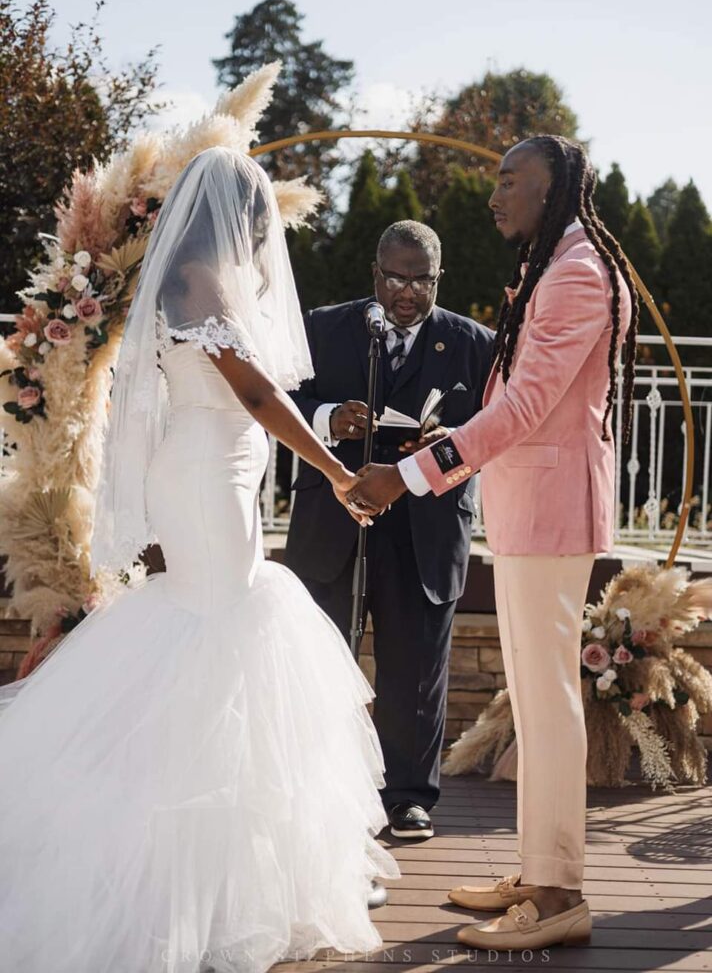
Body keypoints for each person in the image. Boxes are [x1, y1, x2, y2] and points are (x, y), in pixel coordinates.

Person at [0, 146, 399, 973]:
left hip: (212, 471)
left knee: (215, 638)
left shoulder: (184, 276)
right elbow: (255, 393)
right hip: (208, 478)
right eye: (258, 221)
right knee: (221, 640)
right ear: (237, 218)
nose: (263, 237)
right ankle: (191, 892)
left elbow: (246, 399)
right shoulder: (207, 280)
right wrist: (333, 474)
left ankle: (227, 882)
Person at [346, 136, 639, 951]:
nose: (494, 194)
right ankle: (538, 868)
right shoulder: (557, 264)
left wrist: (408, 474)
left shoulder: (577, 272)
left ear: (552, 191)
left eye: (511, 181)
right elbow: (510, 402)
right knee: (538, 701)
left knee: (548, 706)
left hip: (551, 516)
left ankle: (559, 896)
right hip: (526, 512)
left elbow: (526, 410)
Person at [285, 220, 494, 840]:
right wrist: (327, 418)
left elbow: (491, 428)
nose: (406, 292)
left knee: (415, 665)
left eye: (420, 280)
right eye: (395, 277)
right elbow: (276, 402)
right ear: (374, 273)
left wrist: (443, 447)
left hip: (426, 528)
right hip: (334, 519)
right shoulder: (324, 327)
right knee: (323, 656)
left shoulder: (473, 343)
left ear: (438, 279)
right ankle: (321, 785)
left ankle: (407, 798)